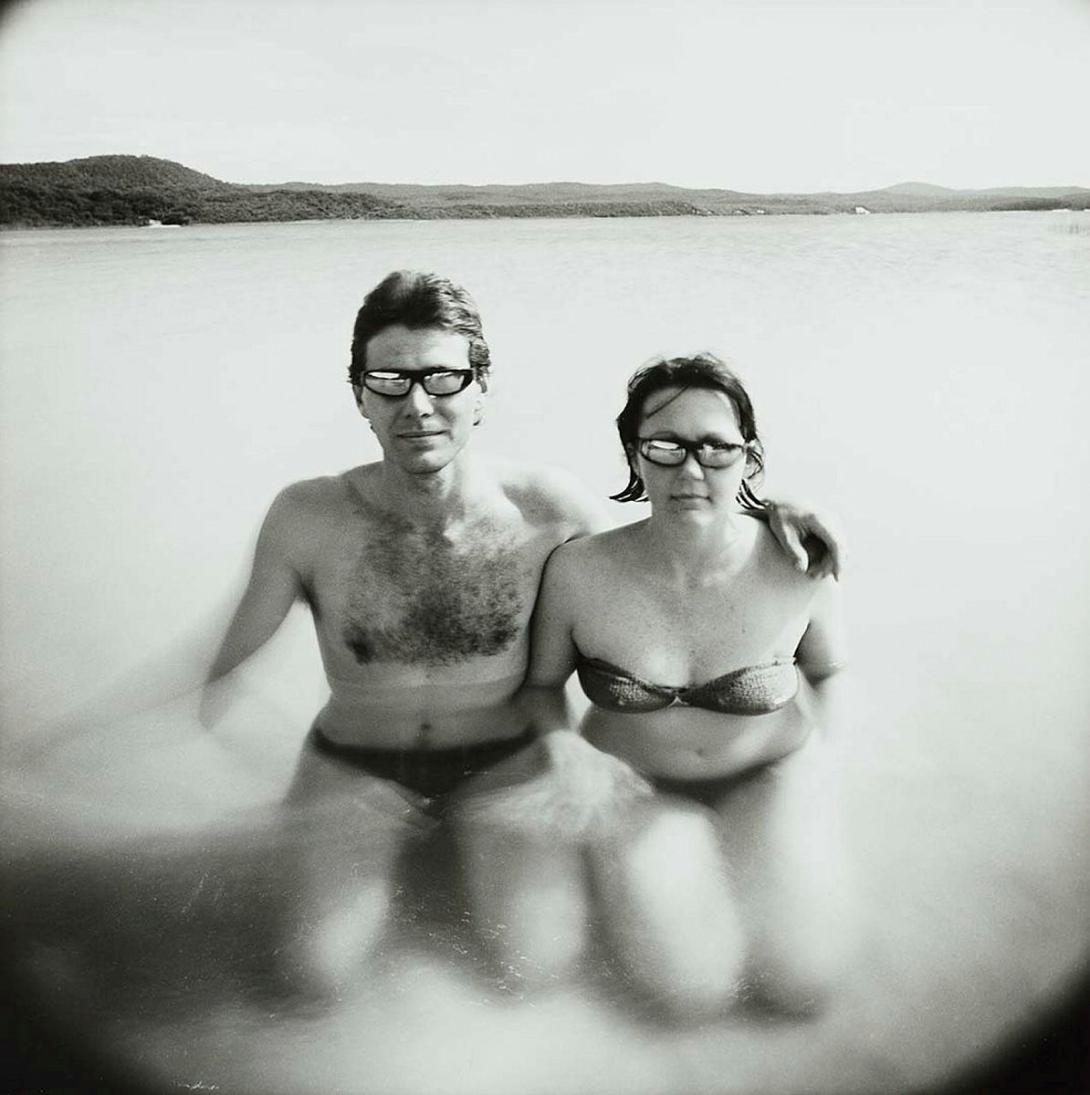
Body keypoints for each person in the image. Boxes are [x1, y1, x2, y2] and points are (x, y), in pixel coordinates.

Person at [198, 274, 844, 997]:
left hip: (503, 766)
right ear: (359, 395)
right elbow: (223, 677)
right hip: (355, 765)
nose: (417, 403)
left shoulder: (548, 509)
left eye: (443, 376)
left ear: (481, 389)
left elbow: (663, 551)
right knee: (313, 978)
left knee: (539, 967)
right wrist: (293, 799)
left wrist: (778, 507)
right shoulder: (306, 515)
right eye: (389, 378)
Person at [512, 352, 852, 1016]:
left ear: (748, 457)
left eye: (715, 448)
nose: (690, 469)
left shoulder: (797, 560)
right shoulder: (579, 571)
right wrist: (563, 749)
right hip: (637, 789)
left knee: (802, 984)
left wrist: (823, 770)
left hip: (768, 775)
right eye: (666, 445)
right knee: (686, 994)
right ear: (634, 456)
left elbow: (830, 672)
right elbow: (539, 687)